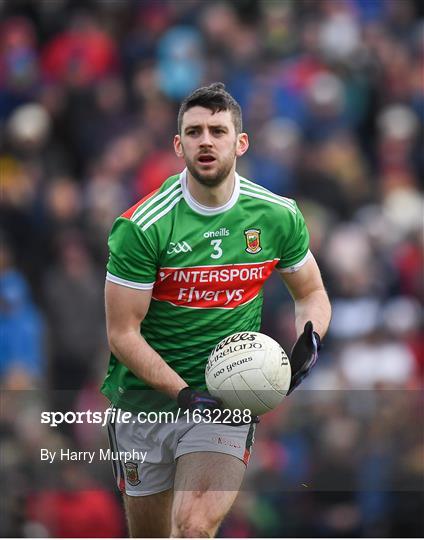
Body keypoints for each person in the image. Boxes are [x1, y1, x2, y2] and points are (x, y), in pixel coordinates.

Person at [102, 82, 331, 538]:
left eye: (218, 131)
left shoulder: (277, 216)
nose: (206, 140)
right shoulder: (142, 226)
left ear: (240, 142)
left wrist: (310, 338)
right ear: (178, 144)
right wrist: (183, 393)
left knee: (193, 527)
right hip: (146, 405)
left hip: (226, 400)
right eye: (194, 131)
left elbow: (311, 294)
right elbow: (123, 334)